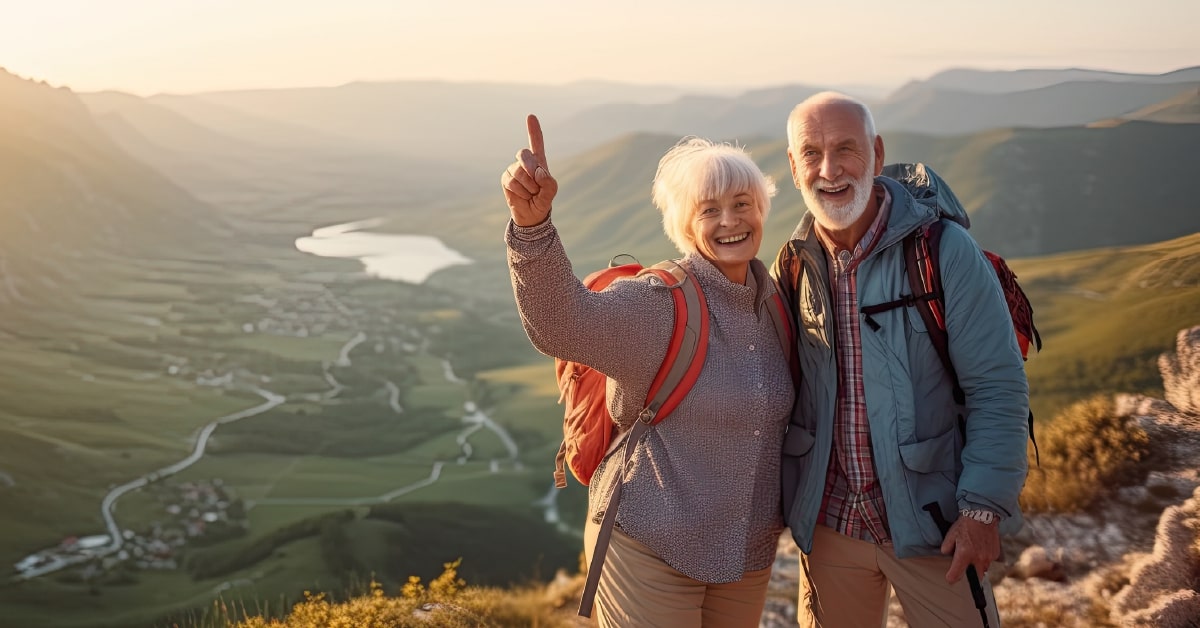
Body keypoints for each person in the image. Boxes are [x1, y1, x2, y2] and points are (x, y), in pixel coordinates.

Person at [501, 114, 794, 627]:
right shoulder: (658, 305)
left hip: (744, 557)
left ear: (762, 210)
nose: (730, 220)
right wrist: (533, 227)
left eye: (742, 204)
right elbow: (560, 324)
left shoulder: (775, 306)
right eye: (710, 210)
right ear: (685, 224)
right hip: (648, 547)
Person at [771, 92, 1029, 627]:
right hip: (831, 525)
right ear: (793, 167)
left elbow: (998, 388)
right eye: (812, 154)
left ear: (878, 153)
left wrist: (982, 511)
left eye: (846, 149)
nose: (830, 169)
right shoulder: (795, 263)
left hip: (936, 525)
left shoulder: (943, 251)